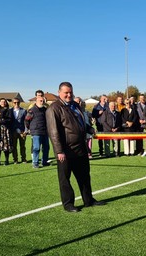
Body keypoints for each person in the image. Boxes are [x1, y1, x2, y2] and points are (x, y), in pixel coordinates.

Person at [46, 82, 105, 213]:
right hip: (66, 150)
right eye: (66, 92)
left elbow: (81, 123)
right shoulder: (53, 108)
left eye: (70, 92)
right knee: (65, 179)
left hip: (81, 148)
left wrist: (89, 128)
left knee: (84, 176)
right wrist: (59, 151)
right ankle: (68, 204)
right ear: (59, 92)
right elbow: (53, 132)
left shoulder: (75, 105)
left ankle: (88, 200)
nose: (68, 95)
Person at [25, 96, 50, 168]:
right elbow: (26, 120)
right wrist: (30, 128)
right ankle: (35, 163)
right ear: (36, 101)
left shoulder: (45, 110)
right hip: (36, 132)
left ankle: (44, 161)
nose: (42, 102)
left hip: (45, 131)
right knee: (36, 148)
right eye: (40, 101)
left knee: (46, 147)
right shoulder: (31, 110)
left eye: (43, 101)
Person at [0, 98, 14, 165]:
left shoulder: (8, 110)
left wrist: (1, 121)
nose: (3, 103)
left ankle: (6, 160)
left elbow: (10, 120)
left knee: (5, 145)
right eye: (1, 101)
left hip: (5, 129)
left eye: (4, 102)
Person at [10, 98, 27, 164]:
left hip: (22, 131)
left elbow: (26, 122)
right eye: (15, 102)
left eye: (18, 102)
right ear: (12, 103)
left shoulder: (23, 111)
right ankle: (15, 159)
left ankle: (23, 159)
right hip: (13, 131)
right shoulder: (10, 111)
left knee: (22, 146)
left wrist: (26, 130)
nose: (16, 104)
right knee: (14, 146)